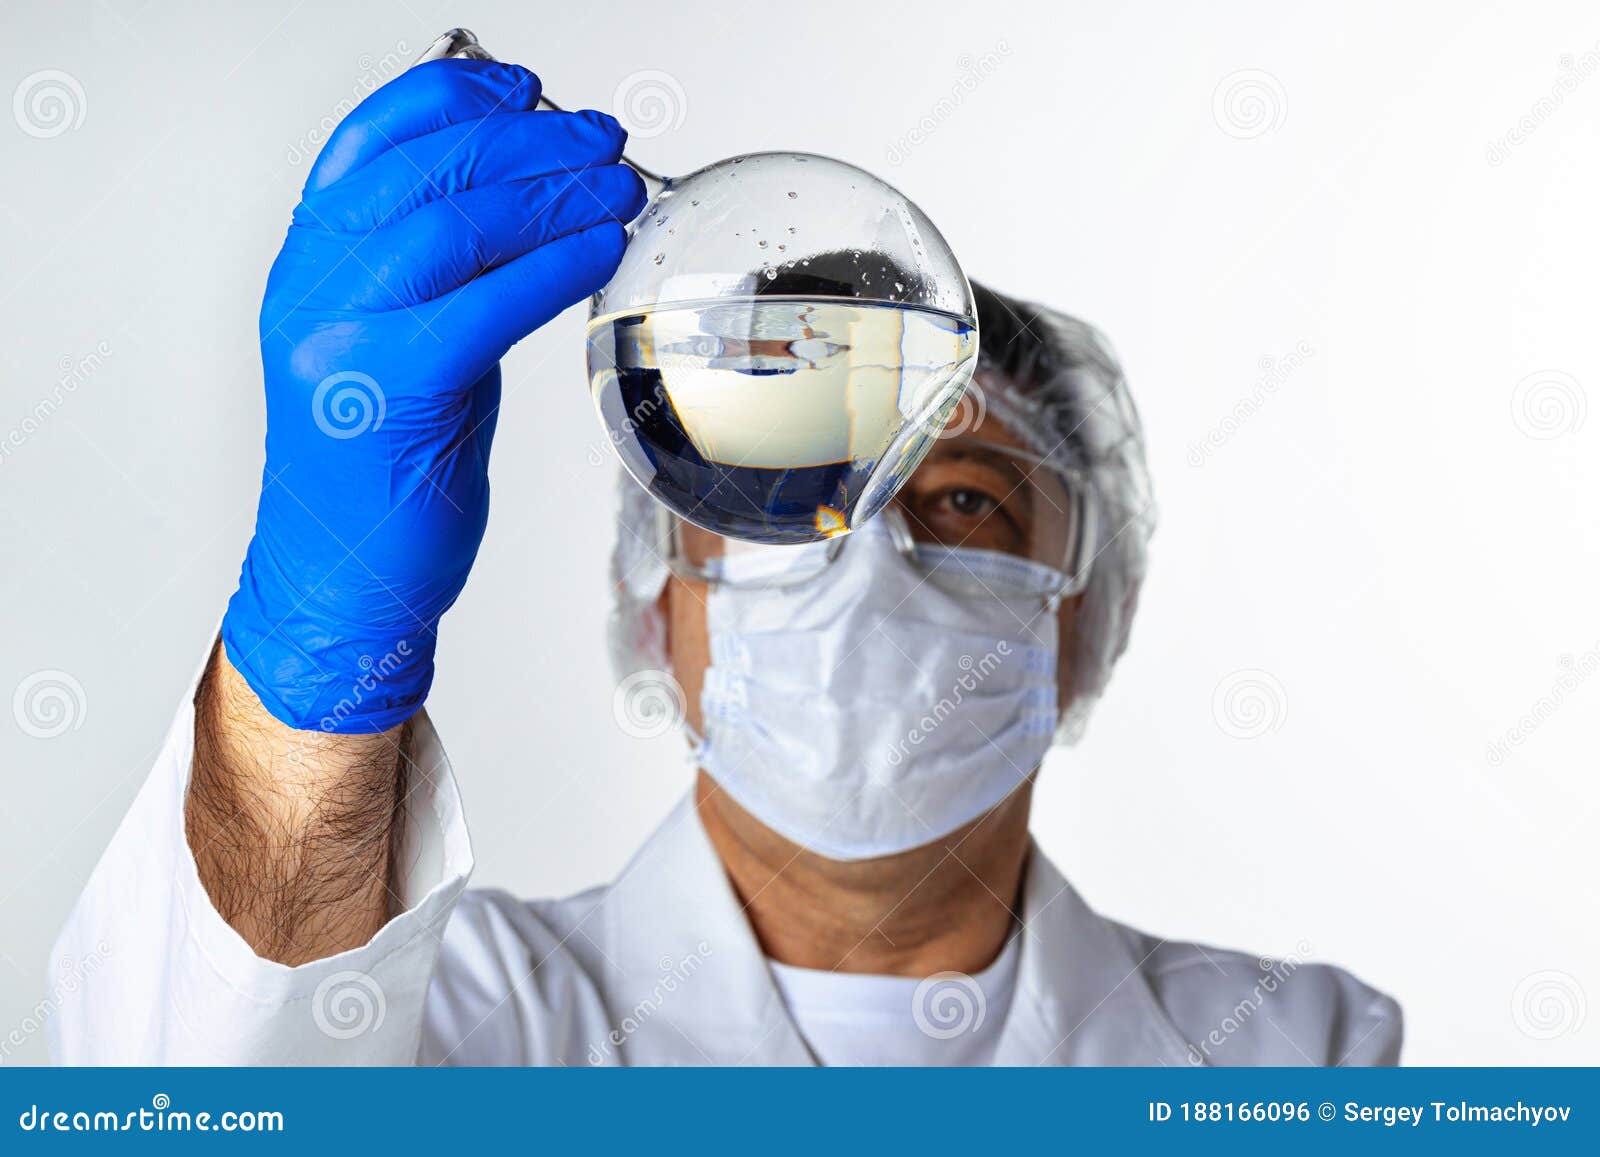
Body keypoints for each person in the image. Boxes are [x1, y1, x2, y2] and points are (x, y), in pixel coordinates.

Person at [50, 57, 1401, 1067]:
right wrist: (319, 666)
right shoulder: (442, 1022)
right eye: (783, 477)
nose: (869, 563)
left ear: (1084, 616)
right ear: (661, 603)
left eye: (969, 501)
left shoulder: (1291, 1055)